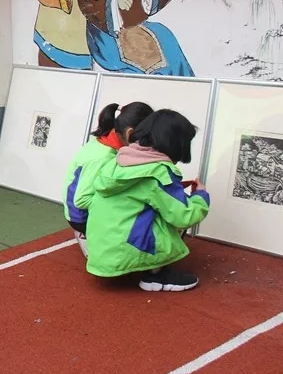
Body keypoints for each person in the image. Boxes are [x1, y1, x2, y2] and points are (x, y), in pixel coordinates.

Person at [86, 109, 210, 292]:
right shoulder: (158, 171)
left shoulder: (118, 160)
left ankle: (136, 265)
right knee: (173, 215)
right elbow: (185, 216)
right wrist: (201, 196)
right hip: (124, 253)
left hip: (100, 252)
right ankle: (156, 275)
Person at [64, 101, 153, 257]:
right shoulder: (102, 157)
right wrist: (124, 201)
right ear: (130, 133)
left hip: (84, 210)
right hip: (81, 218)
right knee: (143, 215)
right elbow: (81, 200)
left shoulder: (109, 139)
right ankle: (88, 236)